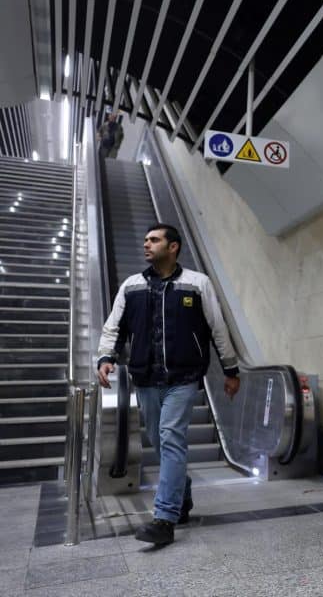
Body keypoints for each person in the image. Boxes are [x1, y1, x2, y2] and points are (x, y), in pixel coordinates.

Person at [97, 223, 240, 544]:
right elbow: (114, 327)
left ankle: (164, 518)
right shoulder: (131, 286)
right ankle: (182, 494)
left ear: (173, 247)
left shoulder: (197, 283)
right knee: (161, 443)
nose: (146, 245)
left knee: (171, 437)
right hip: (145, 378)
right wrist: (106, 356)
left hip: (184, 377)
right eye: (145, 240)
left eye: (154, 240)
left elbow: (217, 328)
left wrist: (230, 370)